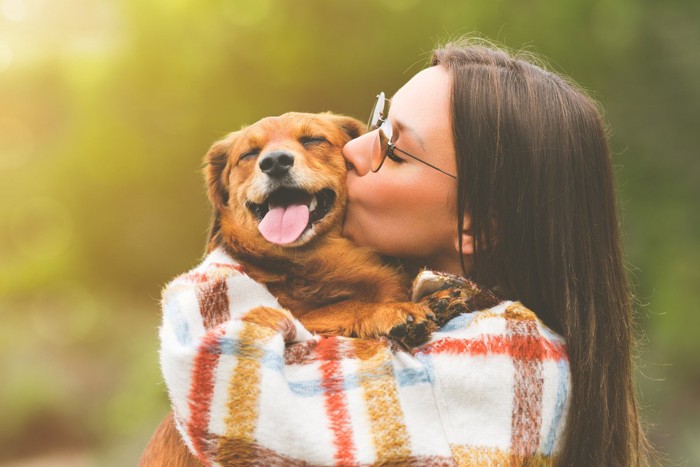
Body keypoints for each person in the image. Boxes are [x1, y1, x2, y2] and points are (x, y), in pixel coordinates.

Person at [148, 38, 651, 466]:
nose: (353, 150)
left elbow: (228, 376)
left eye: (396, 149)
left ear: (477, 223)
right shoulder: (422, 310)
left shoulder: (511, 361)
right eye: (377, 124)